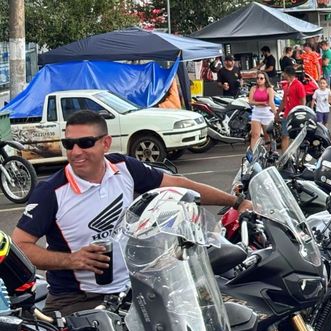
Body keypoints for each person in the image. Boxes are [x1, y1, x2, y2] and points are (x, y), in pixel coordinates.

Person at [12, 110, 252, 315]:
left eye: (85, 143)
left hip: (133, 289)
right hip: (77, 299)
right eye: (69, 144)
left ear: (106, 143)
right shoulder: (51, 192)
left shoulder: (124, 167)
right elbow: (21, 246)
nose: (75, 152)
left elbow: (179, 186)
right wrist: (72, 260)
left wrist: (237, 202)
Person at [247, 71, 277, 150]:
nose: (259, 80)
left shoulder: (269, 89)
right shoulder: (253, 88)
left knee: (268, 135)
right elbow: (250, 101)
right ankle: (253, 153)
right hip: (256, 112)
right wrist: (261, 103)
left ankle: (271, 151)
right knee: (255, 135)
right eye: (257, 78)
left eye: (261, 78)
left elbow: (271, 102)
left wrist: (276, 114)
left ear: (265, 79)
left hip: (267, 113)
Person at [279, 67, 307, 150]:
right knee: (285, 135)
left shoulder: (298, 85)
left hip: (295, 114)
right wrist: (278, 113)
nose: (283, 75)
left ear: (288, 74)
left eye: (284, 74)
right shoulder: (287, 85)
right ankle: (285, 155)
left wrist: (301, 112)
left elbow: (303, 100)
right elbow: (284, 101)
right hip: (287, 113)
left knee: (296, 137)